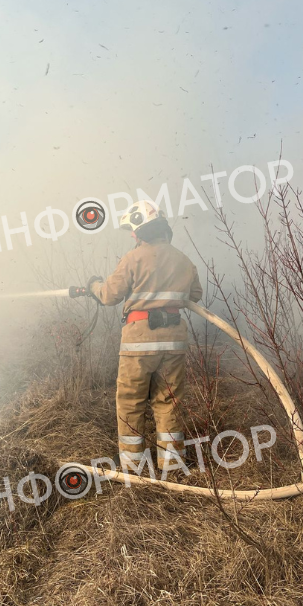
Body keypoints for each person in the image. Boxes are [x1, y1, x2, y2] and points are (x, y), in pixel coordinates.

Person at [84, 200, 203, 477]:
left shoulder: (133, 258)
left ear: (141, 230)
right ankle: (172, 466)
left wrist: (93, 285)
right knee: (168, 402)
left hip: (139, 342)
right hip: (173, 342)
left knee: (130, 401)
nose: (131, 236)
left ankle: (133, 466)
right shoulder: (183, 260)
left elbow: (109, 295)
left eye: (132, 230)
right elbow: (194, 295)